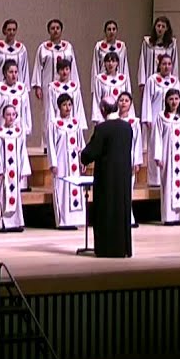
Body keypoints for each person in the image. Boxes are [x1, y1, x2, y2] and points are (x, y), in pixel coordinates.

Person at [80, 96, 134, 258]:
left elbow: (92, 151)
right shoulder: (127, 128)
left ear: (103, 110)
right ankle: (123, 248)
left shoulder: (102, 128)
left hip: (106, 178)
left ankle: (106, 248)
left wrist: (83, 155)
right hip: (123, 177)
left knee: (106, 210)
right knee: (121, 210)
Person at [154, 88, 180, 225]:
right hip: (167, 156)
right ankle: (169, 217)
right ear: (166, 100)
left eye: (176, 99)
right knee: (168, 185)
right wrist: (158, 156)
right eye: (171, 99)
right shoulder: (162, 117)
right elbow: (157, 138)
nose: (174, 102)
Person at [47, 94, 86, 230]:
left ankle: (76, 219)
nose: (67, 107)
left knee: (75, 189)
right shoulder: (54, 123)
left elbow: (81, 142)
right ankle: (63, 220)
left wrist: (83, 160)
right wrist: (53, 163)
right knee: (62, 189)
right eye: (64, 105)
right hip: (62, 161)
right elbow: (51, 144)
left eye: (69, 104)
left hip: (74, 161)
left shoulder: (76, 123)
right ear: (59, 107)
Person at [141, 54, 180, 187]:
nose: (167, 66)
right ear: (159, 65)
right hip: (155, 118)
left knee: (170, 147)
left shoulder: (175, 81)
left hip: (171, 120)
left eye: (169, 64)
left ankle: (169, 177)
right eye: (164, 64)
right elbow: (147, 99)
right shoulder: (152, 80)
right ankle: (155, 180)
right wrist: (147, 118)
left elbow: (179, 100)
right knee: (155, 148)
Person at [0, 105, 31, 232]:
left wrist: (23, 169)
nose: (11, 117)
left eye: (13, 114)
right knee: (3, 195)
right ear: (3, 116)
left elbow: (22, 151)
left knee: (15, 196)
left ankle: (16, 222)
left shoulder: (19, 133)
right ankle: (3, 223)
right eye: (8, 114)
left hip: (15, 170)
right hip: (4, 171)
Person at [112, 91, 144, 227]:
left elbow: (138, 142)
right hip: (115, 159)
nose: (123, 103)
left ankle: (128, 218)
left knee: (128, 190)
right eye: (121, 100)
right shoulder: (112, 120)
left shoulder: (134, 122)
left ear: (130, 104)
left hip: (129, 159)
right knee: (116, 189)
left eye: (126, 100)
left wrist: (136, 161)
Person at [32, 18, 78, 100]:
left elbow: (73, 66)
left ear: (61, 30)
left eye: (58, 28)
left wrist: (75, 84)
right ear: (49, 31)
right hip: (48, 84)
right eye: (53, 28)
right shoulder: (43, 48)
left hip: (66, 85)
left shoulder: (68, 47)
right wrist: (38, 86)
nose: (55, 30)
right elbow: (38, 67)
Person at [0, 59, 33, 137]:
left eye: (16, 72)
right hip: (2, 128)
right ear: (5, 73)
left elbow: (27, 109)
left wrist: (28, 126)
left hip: (19, 128)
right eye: (11, 72)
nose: (14, 75)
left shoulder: (23, 89)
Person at [43, 58, 87, 133]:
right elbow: (50, 108)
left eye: (67, 69)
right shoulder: (52, 87)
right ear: (58, 71)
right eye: (62, 69)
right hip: (58, 126)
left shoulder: (75, 87)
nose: (64, 72)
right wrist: (51, 125)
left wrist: (80, 125)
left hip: (73, 124)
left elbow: (79, 107)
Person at [137, 15, 178, 90]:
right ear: (155, 27)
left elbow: (174, 62)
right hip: (150, 78)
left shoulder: (171, 44)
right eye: (158, 26)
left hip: (167, 81)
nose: (160, 28)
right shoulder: (147, 43)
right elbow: (142, 61)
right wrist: (142, 82)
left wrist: (174, 81)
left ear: (167, 28)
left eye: (163, 26)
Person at [90, 52, 131, 123]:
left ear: (117, 63)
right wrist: (97, 118)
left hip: (121, 117)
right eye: (108, 61)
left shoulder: (124, 79)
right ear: (104, 63)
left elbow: (128, 97)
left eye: (113, 61)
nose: (110, 64)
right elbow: (96, 99)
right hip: (105, 118)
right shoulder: (99, 79)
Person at [0, 18, 29, 86]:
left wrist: (25, 88)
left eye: (14, 30)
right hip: (1, 87)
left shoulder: (21, 49)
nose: (11, 32)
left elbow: (25, 69)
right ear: (4, 31)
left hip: (18, 88)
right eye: (9, 30)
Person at [90, 20, 129, 87]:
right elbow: (95, 67)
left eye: (114, 29)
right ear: (105, 32)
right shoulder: (99, 46)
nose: (111, 32)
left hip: (119, 83)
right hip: (103, 83)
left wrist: (126, 85)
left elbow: (125, 67)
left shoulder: (122, 46)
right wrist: (95, 86)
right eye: (109, 29)